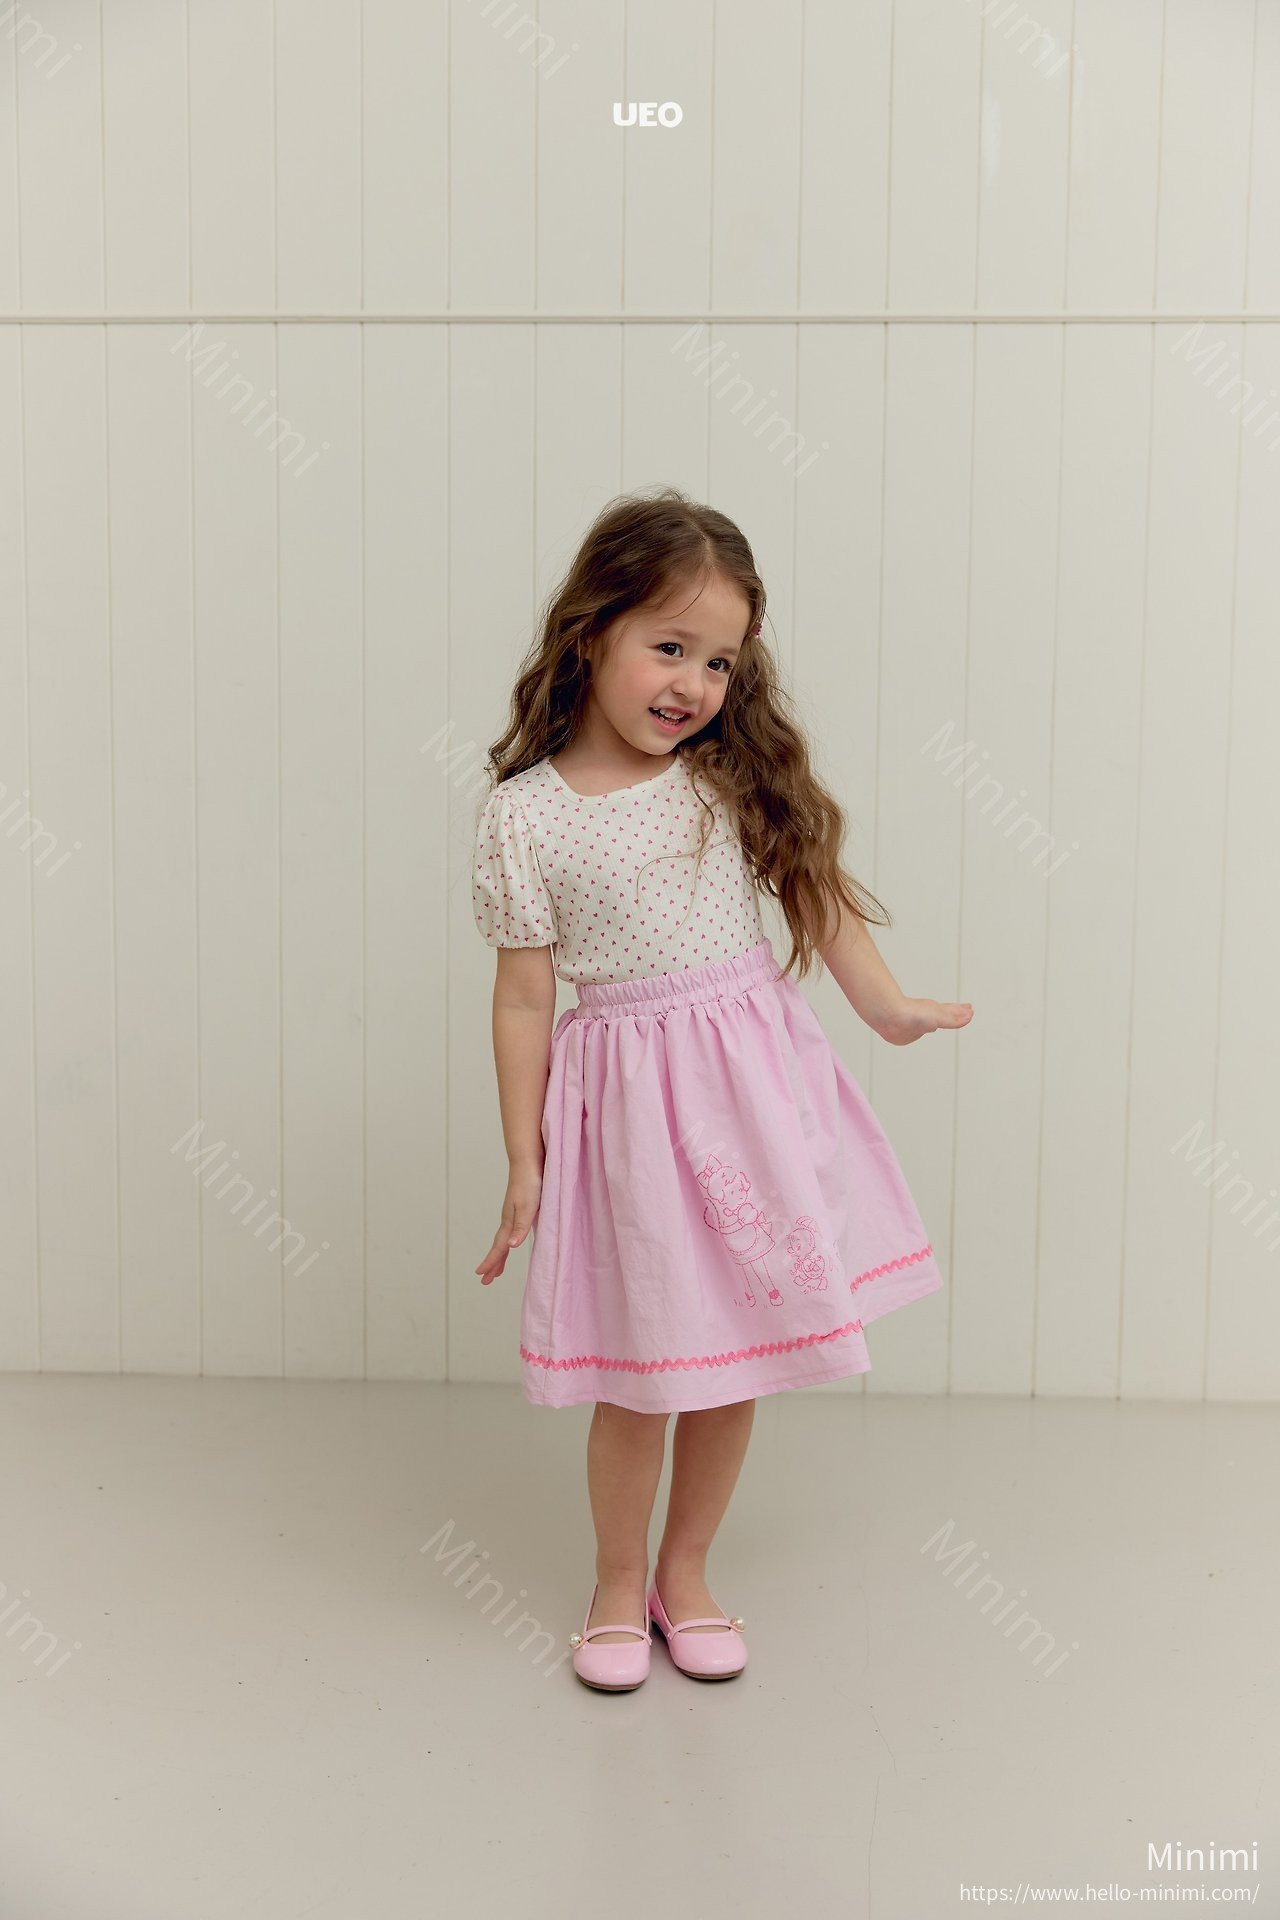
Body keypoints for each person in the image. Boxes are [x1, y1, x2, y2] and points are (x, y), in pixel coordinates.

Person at [471, 487, 973, 1692]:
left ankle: (684, 1575)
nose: (692, 683)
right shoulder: (524, 817)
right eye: (668, 647)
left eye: (718, 661)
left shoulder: (722, 780)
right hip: (631, 1119)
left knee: (736, 1354)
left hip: (746, 1099)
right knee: (648, 1368)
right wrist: (524, 1156)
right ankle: (614, 1582)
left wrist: (885, 1006)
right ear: (591, 631)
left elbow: (815, 895)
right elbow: (523, 999)